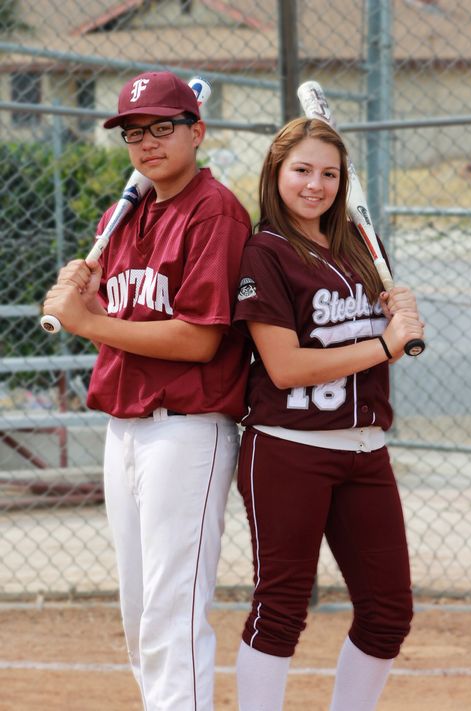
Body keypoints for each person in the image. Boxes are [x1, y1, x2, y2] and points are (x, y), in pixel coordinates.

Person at [43, 71, 251, 710]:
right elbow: (117, 321)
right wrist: (80, 293)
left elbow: (199, 340)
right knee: (139, 615)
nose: (147, 143)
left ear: (198, 132)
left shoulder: (214, 211)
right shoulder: (122, 212)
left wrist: (91, 321)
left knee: (172, 611)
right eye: (134, 132)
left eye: (163, 128)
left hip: (186, 428)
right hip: (125, 426)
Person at [232, 117, 425, 711]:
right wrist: (386, 344)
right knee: (282, 607)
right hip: (290, 449)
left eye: (329, 174)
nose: (315, 185)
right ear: (276, 174)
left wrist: (401, 310)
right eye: (302, 171)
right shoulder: (263, 254)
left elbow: (384, 331)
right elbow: (285, 366)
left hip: (366, 451)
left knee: (388, 613)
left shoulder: (362, 247)